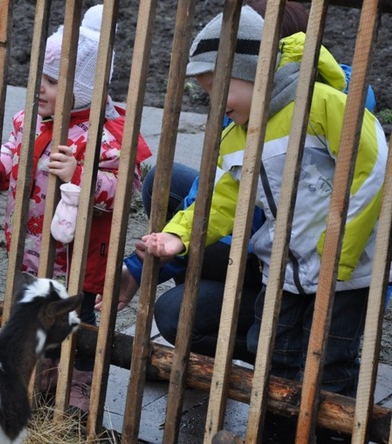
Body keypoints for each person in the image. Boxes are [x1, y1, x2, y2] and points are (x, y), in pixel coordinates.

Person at [138, 4, 389, 443]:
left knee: (331, 358)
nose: (214, 106)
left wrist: (340, 251)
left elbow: (374, 171)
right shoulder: (238, 137)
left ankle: (331, 434)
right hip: (284, 271)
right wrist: (178, 235)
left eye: (219, 92)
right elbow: (221, 197)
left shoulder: (321, 105)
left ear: (251, 72)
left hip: (347, 272)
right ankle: (276, 430)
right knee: (271, 349)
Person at [0, 4, 152, 415]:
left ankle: (79, 383)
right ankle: (43, 372)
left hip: (80, 257)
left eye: (52, 81)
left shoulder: (107, 138)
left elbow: (124, 192)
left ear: (84, 87)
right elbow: (10, 154)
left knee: (76, 319)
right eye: (42, 77)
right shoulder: (31, 120)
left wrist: (81, 177)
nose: (41, 87)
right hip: (31, 245)